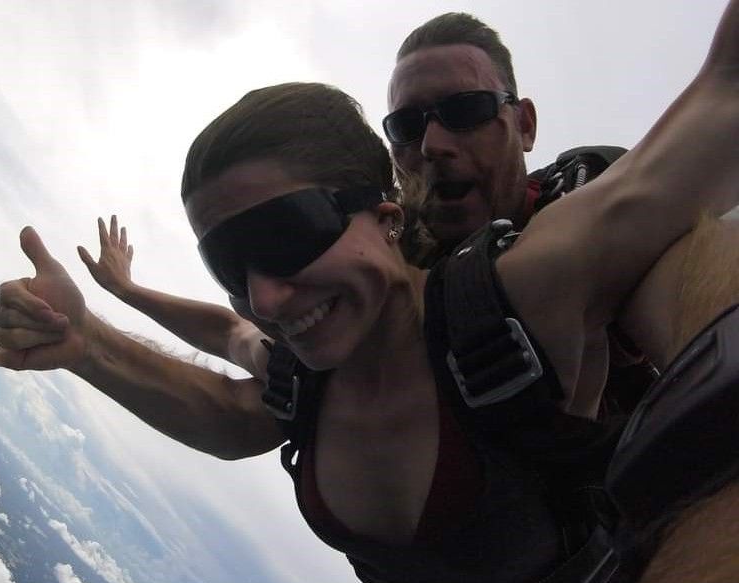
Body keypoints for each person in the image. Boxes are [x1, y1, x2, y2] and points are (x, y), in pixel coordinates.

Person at [0, 3, 739, 583]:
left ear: (382, 215)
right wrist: (89, 336)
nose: (265, 294)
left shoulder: (527, 291)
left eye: (287, 235)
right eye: (229, 264)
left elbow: (720, 100)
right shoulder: (315, 358)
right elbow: (235, 383)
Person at [76, 12, 656, 418]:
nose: (432, 144)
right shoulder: (374, 278)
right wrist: (124, 297)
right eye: (405, 126)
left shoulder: (596, 215)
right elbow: (243, 341)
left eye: (465, 110)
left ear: (524, 124)